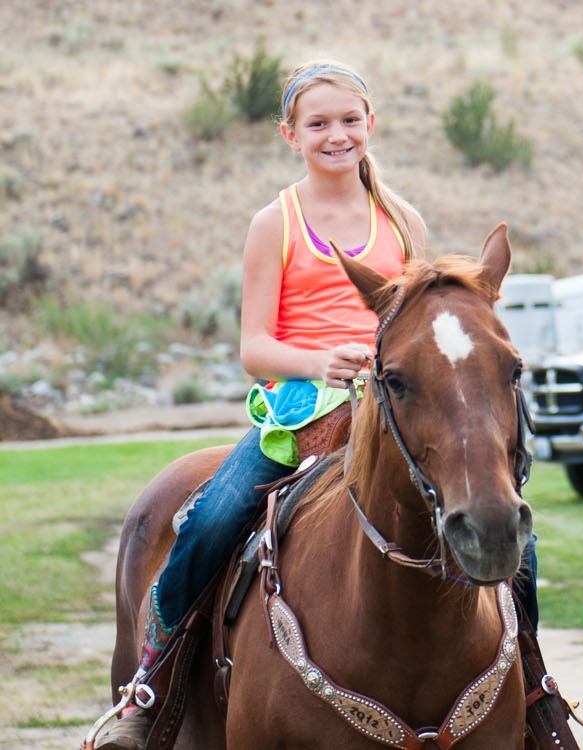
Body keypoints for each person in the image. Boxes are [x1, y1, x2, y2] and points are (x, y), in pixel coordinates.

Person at [91, 60, 429, 750]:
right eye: (319, 124)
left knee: (500, 528)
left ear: (372, 125)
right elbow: (254, 345)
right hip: (302, 410)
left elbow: (421, 322)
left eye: (349, 120)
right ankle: (150, 684)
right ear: (290, 135)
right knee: (211, 519)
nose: (337, 135)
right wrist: (318, 362)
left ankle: (532, 693)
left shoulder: (403, 220)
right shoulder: (275, 222)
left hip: (393, 409)